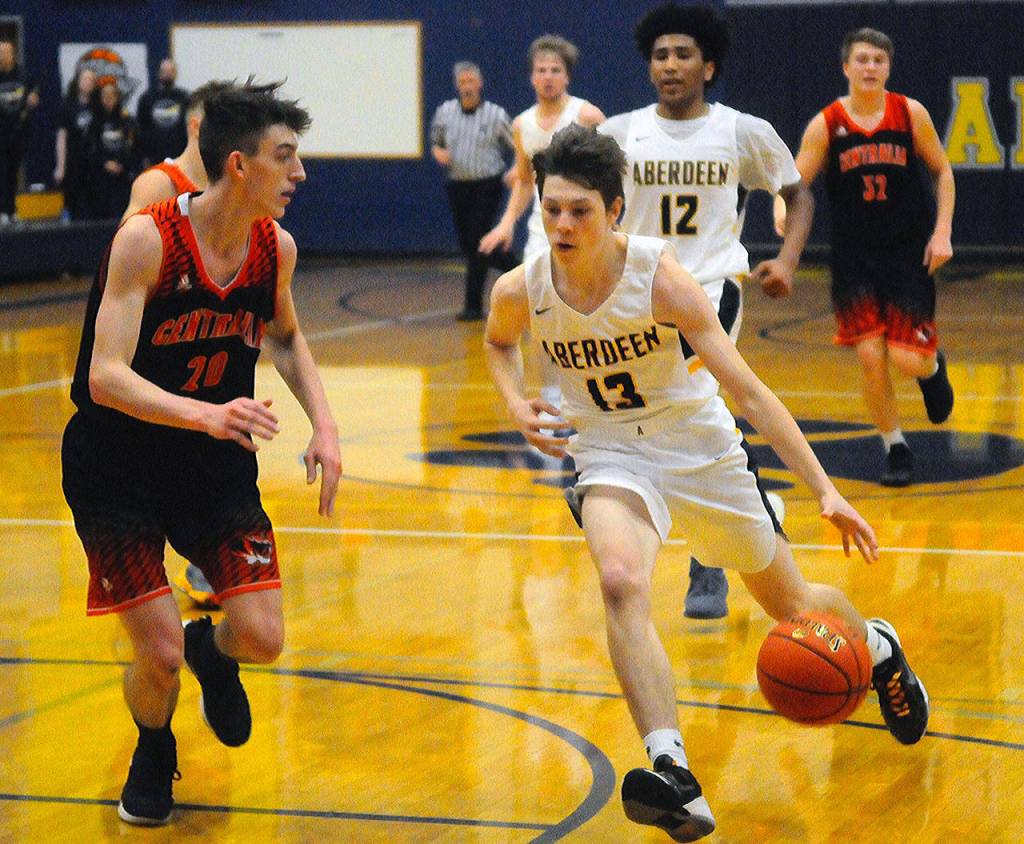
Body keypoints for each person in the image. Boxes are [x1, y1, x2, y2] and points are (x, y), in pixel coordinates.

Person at [483, 124, 928, 842]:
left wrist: (826, 491)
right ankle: (673, 775)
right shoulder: (524, 288)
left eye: (580, 211)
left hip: (699, 451)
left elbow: (748, 393)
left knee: (794, 605)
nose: (562, 224)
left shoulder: (658, 277)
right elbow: (498, 343)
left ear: (615, 211)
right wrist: (514, 400)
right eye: (551, 207)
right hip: (606, 453)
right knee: (621, 579)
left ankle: (875, 647)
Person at [60, 81, 342, 826]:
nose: (300, 173)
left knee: (262, 636)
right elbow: (105, 375)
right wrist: (206, 412)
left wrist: (327, 424)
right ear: (240, 165)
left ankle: (212, 654)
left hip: (209, 467)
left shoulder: (273, 248)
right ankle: (152, 749)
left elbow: (282, 335)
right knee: (156, 657)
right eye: (286, 157)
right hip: (116, 463)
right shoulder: (147, 237)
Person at [598, 3, 814, 620]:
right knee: (669, 410)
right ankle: (741, 508)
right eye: (661, 55)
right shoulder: (619, 133)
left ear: (708, 65)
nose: (670, 64)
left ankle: (707, 562)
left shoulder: (741, 131)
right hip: (637, 292)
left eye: (683, 54)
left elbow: (797, 194)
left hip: (712, 289)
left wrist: (789, 261)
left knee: (686, 403)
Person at [775, 27, 955, 487]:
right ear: (846, 67)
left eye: (878, 60)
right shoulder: (828, 122)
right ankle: (895, 446)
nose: (870, 67)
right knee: (871, 357)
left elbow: (941, 170)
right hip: (854, 258)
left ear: (888, 67)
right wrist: (781, 204)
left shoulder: (909, 113)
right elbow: (797, 180)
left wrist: (942, 232)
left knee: (908, 359)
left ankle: (933, 368)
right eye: (862, 59)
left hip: (907, 251)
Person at [120, 79, 236, 608]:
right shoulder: (158, 185)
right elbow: (120, 270)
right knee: (154, 466)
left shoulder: (231, 190)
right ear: (197, 127)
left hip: (203, 345)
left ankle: (204, 559)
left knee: (210, 457)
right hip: (153, 353)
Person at [480, 35, 604, 429]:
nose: (547, 77)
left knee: (591, 310)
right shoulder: (522, 124)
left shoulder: (587, 116)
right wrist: (504, 223)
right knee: (543, 314)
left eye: (555, 70)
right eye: (541, 70)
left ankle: (597, 390)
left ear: (567, 76)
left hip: (585, 230)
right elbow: (522, 180)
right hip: (541, 232)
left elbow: (608, 176)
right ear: (531, 77)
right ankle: (553, 399)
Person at [430, 61, 519, 321]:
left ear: (479, 84)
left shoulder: (495, 115)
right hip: (458, 185)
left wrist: (516, 170)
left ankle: (473, 306)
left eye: (471, 82)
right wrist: (439, 152)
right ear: (457, 86)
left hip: (487, 184)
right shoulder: (445, 112)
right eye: (463, 82)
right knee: (470, 244)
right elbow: (436, 140)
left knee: (479, 240)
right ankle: (516, 267)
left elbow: (517, 145)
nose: (467, 87)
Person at [84, 81, 139, 219]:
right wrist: (105, 163)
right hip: (101, 178)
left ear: (117, 97)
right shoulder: (94, 123)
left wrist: (122, 164)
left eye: (112, 95)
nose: (108, 99)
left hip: (123, 177)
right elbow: (90, 149)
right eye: (105, 96)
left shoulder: (127, 121)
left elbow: (133, 148)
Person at [0, 39, 39, 224]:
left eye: (7, 52)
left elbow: (34, 91)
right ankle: (2, 211)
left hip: (17, 132)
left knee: (13, 171)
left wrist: (33, 97)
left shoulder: (22, 75)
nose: (4, 55)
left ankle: (11, 209)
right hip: (1, 132)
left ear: (13, 54)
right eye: (1, 52)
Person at [54, 66, 97, 221]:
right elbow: (61, 136)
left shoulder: (97, 105)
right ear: (78, 81)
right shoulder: (68, 105)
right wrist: (60, 166)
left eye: (91, 80)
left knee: (93, 201)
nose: (87, 83)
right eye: (84, 79)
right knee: (71, 199)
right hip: (73, 160)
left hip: (92, 161)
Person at [136, 58, 190, 167]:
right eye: (164, 71)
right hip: (154, 157)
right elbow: (141, 129)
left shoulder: (185, 98)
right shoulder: (146, 99)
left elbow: (189, 127)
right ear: (159, 74)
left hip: (179, 156)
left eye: (170, 71)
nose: (167, 75)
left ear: (175, 74)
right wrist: (144, 155)